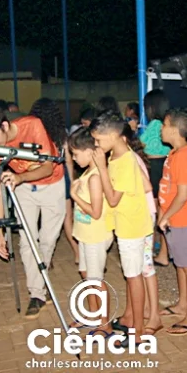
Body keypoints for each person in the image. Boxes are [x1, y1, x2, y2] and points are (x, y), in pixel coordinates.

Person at [0, 105, 66, 318]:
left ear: (4, 125)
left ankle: (41, 282)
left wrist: (20, 177)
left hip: (52, 184)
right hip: (23, 189)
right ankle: (37, 294)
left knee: (47, 240)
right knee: (27, 242)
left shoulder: (32, 125)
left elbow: (47, 167)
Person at [90, 112, 157, 343]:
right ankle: (134, 326)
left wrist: (100, 167)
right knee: (132, 275)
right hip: (127, 224)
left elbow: (113, 198)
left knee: (133, 276)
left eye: (98, 140)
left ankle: (137, 334)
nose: (96, 145)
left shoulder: (125, 161)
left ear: (112, 135)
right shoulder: (117, 157)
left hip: (132, 226)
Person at [156, 108, 187, 336]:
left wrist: (165, 216)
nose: (161, 129)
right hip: (174, 219)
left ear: (174, 130)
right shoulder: (176, 152)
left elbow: (183, 195)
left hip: (183, 219)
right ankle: (183, 305)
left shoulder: (185, 157)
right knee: (182, 265)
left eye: (164, 125)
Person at [67, 127, 115, 331]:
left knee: (96, 281)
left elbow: (96, 212)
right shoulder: (88, 172)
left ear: (89, 152)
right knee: (87, 275)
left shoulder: (95, 177)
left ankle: (105, 324)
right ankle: (94, 316)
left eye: (76, 154)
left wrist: (74, 196)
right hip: (86, 235)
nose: (74, 158)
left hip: (96, 235)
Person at [28, 98, 80, 266]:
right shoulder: (61, 133)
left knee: (36, 221)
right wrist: (72, 181)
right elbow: (68, 161)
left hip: (37, 176)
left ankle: (42, 257)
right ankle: (77, 253)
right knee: (66, 218)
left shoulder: (31, 132)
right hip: (59, 177)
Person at [140, 89, 172, 267]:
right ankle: (164, 252)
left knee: (153, 214)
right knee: (164, 211)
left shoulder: (154, 125)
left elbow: (140, 145)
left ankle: (155, 252)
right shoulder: (168, 124)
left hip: (154, 171)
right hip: (166, 169)